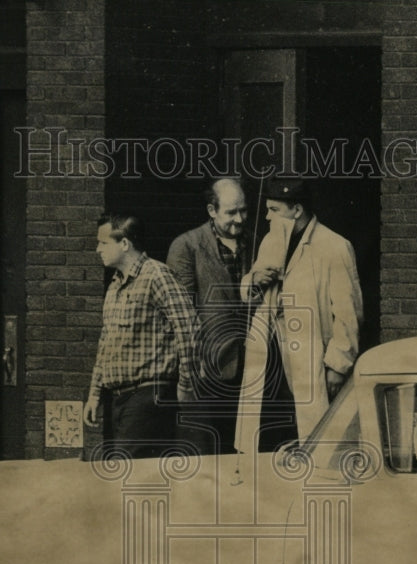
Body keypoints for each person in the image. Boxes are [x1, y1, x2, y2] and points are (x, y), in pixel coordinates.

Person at [235, 177, 363, 455]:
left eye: (274, 210)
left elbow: (347, 314)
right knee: (267, 434)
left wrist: (338, 365)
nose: (267, 217)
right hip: (271, 356)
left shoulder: (335, 247)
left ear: (297, 210)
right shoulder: (272, 240)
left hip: (310, 358)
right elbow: (252, 293)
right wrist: (254, 280)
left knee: (311, 438)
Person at [83, 214, 200, 460]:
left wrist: (186, 384)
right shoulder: (115, 286)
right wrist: (95, 394)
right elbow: (106, 342)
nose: (97, 249)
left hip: (149, 398)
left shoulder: (156, 275)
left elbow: (188, 328)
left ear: (124, 244)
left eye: (104, 243)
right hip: (121, 400)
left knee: (127, 476)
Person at [167, 178, 252, 454]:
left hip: (251, 371)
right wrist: (190, 370)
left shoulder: (257, 244)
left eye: (243, 210)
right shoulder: (187, 246)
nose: (239, 219)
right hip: (206, 371)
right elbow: (180, 317)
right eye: (230, 212)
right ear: (211, 211)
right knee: (204, 457)